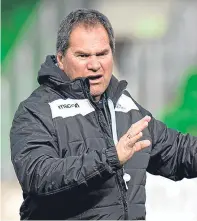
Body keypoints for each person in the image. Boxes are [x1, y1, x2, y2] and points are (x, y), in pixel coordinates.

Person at [10, 8, 197, 220]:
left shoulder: (126, 107)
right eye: (83, 55)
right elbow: (39, 175)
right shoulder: (37, 111)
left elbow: (179, 152)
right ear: (60, 59)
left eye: (102, 54)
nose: (95, 65)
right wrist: (111, 159)